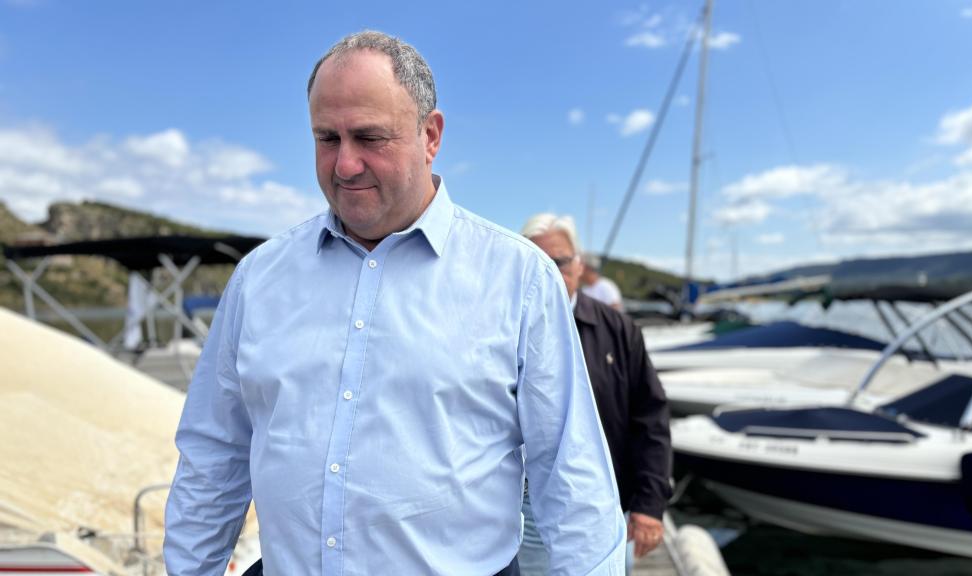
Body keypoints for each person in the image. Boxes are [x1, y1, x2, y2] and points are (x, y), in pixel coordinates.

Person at [163, 31, 626, 575]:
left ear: (430, 135)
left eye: (369, 137)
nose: (345, 164)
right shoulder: (258, 279)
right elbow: (213, 457)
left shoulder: (518, 279)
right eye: (326, 138)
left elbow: (571, 478)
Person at [519, 214, 672, 575]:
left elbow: (650, 417)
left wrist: (649, 505)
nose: (550, 271)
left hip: (605, 506)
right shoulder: (501, 323)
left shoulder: (618, 329)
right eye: (537, 260)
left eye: (559, 261)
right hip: (525, 513)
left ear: (579, 264)